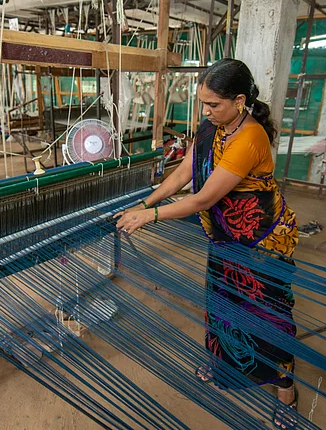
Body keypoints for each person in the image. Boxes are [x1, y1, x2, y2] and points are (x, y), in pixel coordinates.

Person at [115, 59, 299, 429]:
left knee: (267, 316)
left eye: (214, 104)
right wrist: (145, 202)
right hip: (225, 239)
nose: (206, 111)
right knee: (222, 306)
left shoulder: (250, 137)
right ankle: (226, 364)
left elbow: (202, 199)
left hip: (260, 244)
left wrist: (149, 217)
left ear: (240, 100)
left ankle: (286, 392)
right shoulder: (212, 126)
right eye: (204, 104)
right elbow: (185, 172)